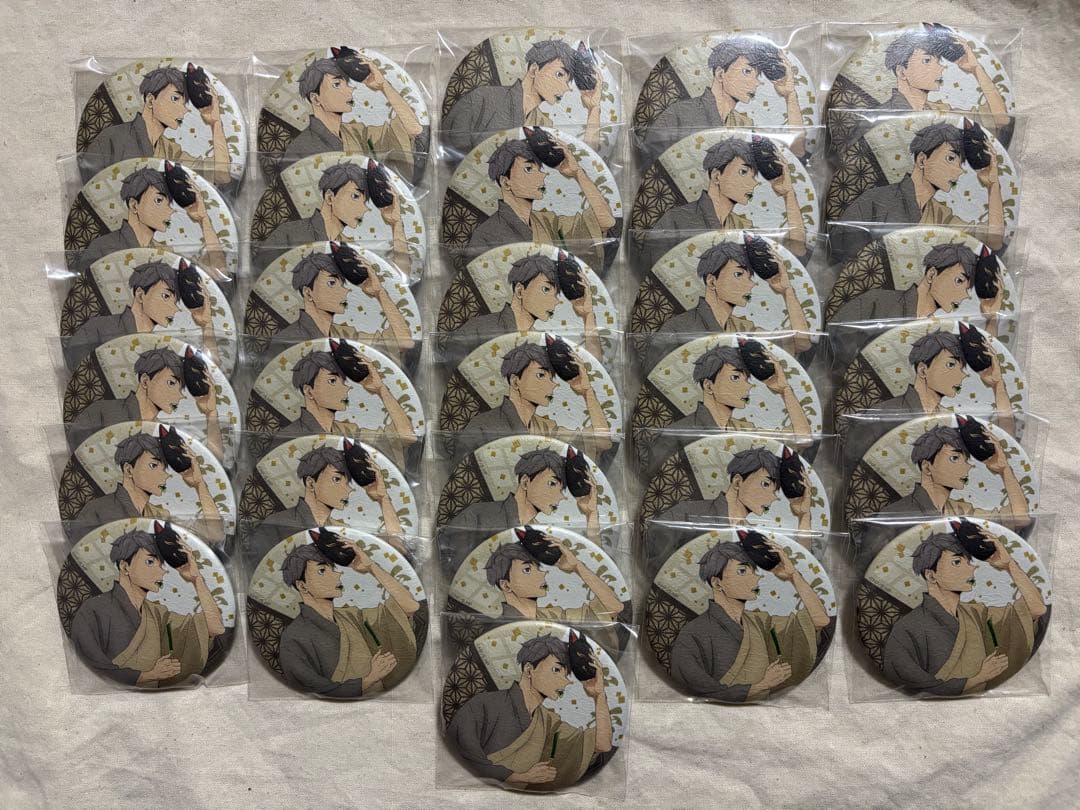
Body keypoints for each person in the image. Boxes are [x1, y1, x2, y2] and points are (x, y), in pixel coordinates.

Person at [881, 529, 1046, 695]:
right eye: (957, 562)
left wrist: (1009, 565)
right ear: (931, 576)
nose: (972, 568)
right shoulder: (907, 629)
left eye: (969, 561)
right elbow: (906, 684)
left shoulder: (976, 614)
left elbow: (1036, 609)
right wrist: (977, 678)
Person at [668, 538, 830, 701]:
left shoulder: (760, 623)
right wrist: (761, 685)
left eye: (754, 571)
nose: (756, 578)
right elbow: (694, 688)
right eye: (742, 571)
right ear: (717, 583)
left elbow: (819, 620)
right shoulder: (692, 635)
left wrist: (793, 575)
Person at [855, 425, 1030, 573]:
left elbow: (1020, 519)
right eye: (955, 458)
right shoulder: (892, 517)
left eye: (966, 459)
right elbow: (866, 570)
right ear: (927, 466)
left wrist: (1004, 470)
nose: (967, 467)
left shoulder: (961, 511)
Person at [445, 634, 612, 789]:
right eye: (556, 670)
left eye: (566, 675)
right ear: (529, 669)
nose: (565, 682)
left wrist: (599, 695)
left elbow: (602, 745)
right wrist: (517, 777)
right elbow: (460, 750)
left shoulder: (548, 722)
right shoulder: (483, 704)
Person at [69, 528, 225, 687]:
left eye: (161, 565)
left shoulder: (157, 614)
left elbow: (215, 627)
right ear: (124, 567)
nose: (162, 572)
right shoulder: (92, 610)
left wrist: (196, 579)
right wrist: (148, 675)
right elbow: (88, 664)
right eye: (150, 562)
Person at [831, 122, 1004, 263]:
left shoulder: (940, 214)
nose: (959, 171)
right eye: (950, 158)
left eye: (960, 164)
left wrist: (993, 185)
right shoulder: (875, 201)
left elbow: (994, 241)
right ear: (922, 160)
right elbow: (841, 254)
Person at [276, 538, 420, 697]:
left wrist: (371, 567)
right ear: (302, 586)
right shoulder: (293, 638)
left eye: (333, 568)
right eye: (322, 571)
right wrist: (368, 680)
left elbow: (410, 607)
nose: (337, 574)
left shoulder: (351, 616)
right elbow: (311, 689)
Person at [639, 137, 806, 272]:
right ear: (716, 176)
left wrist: (788, 194)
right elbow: (649, 267)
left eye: (754, 176)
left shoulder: (742, 227)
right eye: (743, 172)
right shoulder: (677, 219)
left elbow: (798, 251)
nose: (754, 183)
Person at [644, 239, 810, 370]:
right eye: (738, 274)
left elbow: (802, 344)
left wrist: (788, 291)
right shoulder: (677, 328)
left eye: (749, 277)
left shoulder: (742, 327)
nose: (751, 284)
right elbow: (653, 371)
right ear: (712, 281)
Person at [646, 447, 812, 576]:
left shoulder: (756, 541)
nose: (773, 497)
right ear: (738, 481)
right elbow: (651, 568)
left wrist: (804, 516)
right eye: (765, 484)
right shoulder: (686, 514)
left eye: (775, 491)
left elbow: (804, 570)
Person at [642, 344, 810, 471]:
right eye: (735, 377)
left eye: (746, 379)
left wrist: (785, 390)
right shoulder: (677, 434)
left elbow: (803, 440)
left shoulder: (744, 429)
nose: (748, 386)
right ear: (709, 386)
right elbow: (653, 473)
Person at [464, 137, 617, 273]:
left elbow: (605, 221)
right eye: (528, 169)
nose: (542, 175)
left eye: (540, 169)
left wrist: (578, 173)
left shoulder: (547, 222)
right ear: (506, 182)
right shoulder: (485, 235)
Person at [643, 37, 805, 158]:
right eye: (747, 71)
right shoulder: (678, 113)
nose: (756, 83)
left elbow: (796, 154)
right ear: (721, 74)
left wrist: (790, 96)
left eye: (757, 76)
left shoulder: (744, 124)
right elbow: (648, 160)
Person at [452, 343, 611, 464]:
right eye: (541, 375)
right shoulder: (482, 426)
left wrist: (587, 392)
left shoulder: (545, 427)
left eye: (551, 378)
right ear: (515, 381)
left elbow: (603, 443)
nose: (553, 385)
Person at [443, 39, 604, 154]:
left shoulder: (543, 124)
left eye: (568, 81)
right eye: (559, 74)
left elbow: (582, 163)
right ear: (534, 69)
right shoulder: (483, 98)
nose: (566, 87)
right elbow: (451, 148)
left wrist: (594, 109)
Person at [80, 66, 233, 185]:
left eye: (184, 103)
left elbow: (221, 176)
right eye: (175, 98)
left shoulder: (170, 151)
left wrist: (215, 123)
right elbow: (90, 184)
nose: (184, 109)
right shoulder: (111, 139)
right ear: (150, 100)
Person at [71, 166, 227, 280]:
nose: (170, 211)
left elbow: (220, 276)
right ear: (134, 205)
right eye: (158, 200)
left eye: (169, 203)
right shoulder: (103, 248)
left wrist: (204, 219)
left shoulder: (166, 254)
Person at [246, 445, 404, 557]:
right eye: (337, 479)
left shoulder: (342, 531)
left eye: (348, 482)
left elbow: (400, 552)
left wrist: (383, 498)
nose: (348, 489)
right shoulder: (276, 526)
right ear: (310, 483)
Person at [69, 432, 224, 545]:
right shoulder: (98, 510)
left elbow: (215, 536)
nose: (165, 475)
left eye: (164, 468)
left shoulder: (160, 515)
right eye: (153, 465)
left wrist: (199, 485)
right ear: (129, 470)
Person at [67, 347, 222, 460]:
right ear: (146, 381)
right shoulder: (101, 411)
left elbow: (216, 463)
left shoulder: (163, 437)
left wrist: (211, 414)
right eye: (171, 383)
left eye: (181, 388)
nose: (180, 396)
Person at [268, 350, 418, 466]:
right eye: (332, 381)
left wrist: (381, 389)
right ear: (308, 391)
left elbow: (407, 437)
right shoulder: (288, 438)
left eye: (343, 382)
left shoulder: (347, 431)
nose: (346, 388)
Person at [282, 55, 423, 177]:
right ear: (315, 98)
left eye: (347, 84)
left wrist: (384, 86)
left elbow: (413, 129)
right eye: (337, 84)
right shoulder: (299, 148)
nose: (350, 89)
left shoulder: (356, 133)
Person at [254, 161, 410, 272]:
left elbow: (401, 278)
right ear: (329, 197)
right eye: (355, 196)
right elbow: (260, 274)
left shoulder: (351, 250)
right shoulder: (290, 233)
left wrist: (396, 224)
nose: (365, 209)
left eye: (365, 201)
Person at [65, 259, 218, 369]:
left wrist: (207, 325)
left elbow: (214, 370)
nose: (175, 309)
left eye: (175, 301)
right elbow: (74, 367)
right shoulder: (97, 327)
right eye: (165, 296)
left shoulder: (163, 353)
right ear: (140, 294)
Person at [452, 252, 601, 361]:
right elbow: (451, 366)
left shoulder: (541, 345)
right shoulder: (478, 328)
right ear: (519, 290)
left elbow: (592, 370)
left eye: (556, 294)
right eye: (546, 289)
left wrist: (588, 316)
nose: (555, 301)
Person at [270, 252, 414, 363]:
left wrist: (380, 293)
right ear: (308, 293)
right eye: (332, 283)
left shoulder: (344, 334)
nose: (345, 290)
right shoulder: (285, 341)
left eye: (342, 284)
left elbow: (404, 343)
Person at [879, 28, 1009, 125]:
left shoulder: (941, 111)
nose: (941, 67)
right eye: (927, 60)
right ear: (902, 72)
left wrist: (977, 69)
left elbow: (1001, 120)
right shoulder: (881, 115)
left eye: (938, 61)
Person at [484, 536, 622, 621]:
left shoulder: (553, 616)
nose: (543, 573)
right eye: (527, 570)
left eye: (538, 567)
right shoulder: (501, 629)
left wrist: (577, 566)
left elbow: (614, 608)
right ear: (506, 585)